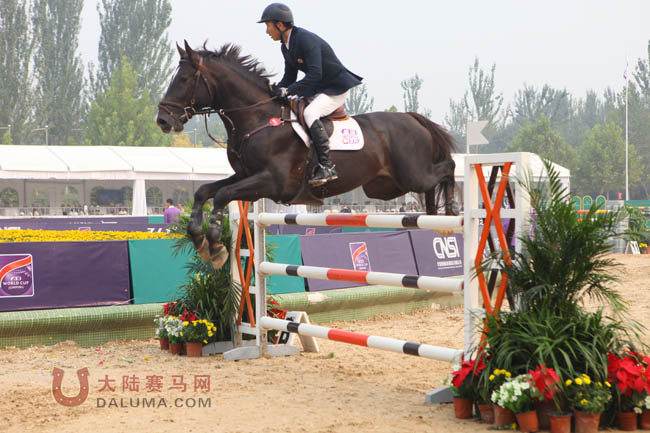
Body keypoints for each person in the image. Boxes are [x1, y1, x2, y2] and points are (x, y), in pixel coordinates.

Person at [258, 3, 363, 186]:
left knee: (310, 113)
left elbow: (315, 75)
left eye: (268, 25)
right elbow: (289, 77)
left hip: (335, 88)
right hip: (319, 88)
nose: (267, 31)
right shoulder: (286, 46)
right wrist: (273, 90)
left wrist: (288, 91)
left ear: (280, 25)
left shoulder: (305, 39)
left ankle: (327, 166)